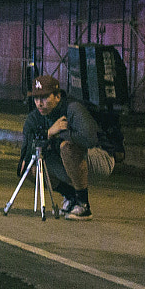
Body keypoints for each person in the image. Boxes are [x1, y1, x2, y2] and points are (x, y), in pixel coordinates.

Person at [21, 74, 114, 220]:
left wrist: (62, 134)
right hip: (69, 161)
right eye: (36, 98)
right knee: (29, 167)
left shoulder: (72, 108)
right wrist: (49, 133)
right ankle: (71, 197)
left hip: (101, 158)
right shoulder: (34, 117)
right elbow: (26, 151)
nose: (39, 103)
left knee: (67, 147)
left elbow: (89, 139)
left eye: (45, 97)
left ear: (58, 96)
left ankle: (83, 205)